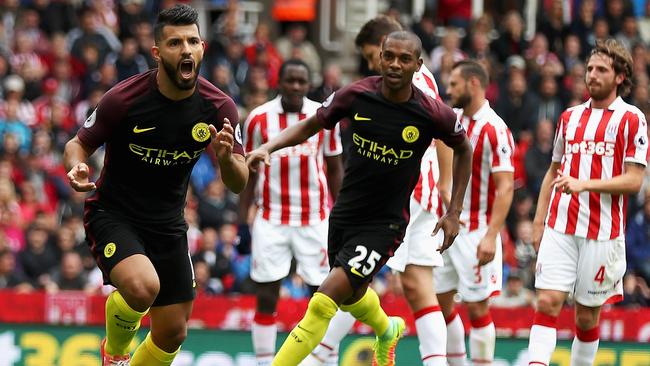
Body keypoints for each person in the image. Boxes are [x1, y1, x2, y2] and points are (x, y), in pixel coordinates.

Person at [246, 31, 473, 366]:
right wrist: (268, 146)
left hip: (385, 223)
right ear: (380, 58)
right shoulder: (357, 94)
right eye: (389, 56)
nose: (395, 64)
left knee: (324, 300)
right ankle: (387, 329)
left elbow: (463, 148)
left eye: (404, 59)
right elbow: (312, 125)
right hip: (344, 215)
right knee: (352, 295)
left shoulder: (430, 112)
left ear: (418, 65)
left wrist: (454, 210)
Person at [63, 4, 248, 366]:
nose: (186, 50)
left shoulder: (219, 107)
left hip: (168, 225)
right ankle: (114, 354)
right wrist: (77, 168)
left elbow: (239, 183)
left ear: (202, 48)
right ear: (158, 52)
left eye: (192, 41)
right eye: (175, 43)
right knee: (143, 287)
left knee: (172, 333)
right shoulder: (124, 98)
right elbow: (77, 144)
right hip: (113, 214)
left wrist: (226, 159)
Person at [303, 15, 455, 366]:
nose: (374, 64)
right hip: (422, 188)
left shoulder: (410, 80)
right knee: (418, 285)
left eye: (374, 55)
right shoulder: (418, 74)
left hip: (405, 188)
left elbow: (444, 130)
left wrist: (446, 186)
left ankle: (320, 355)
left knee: (354, 274)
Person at [527, 38, 647, 365]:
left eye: (602, 70)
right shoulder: (569, 117)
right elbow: (553, 172)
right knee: (548, 302)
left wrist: (585, 184)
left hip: (603, 233)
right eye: (590, 68)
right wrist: (539, 222)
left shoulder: (632, 119)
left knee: (586, 318)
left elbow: (634, 181)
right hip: (560, 225)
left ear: (620, 76)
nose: (592, 75)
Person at [239, 58, 344, 366]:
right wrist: (241, 220)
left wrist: (341, 215)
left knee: (321, 295)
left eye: (302, 81)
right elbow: (248, 173)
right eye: (290, 81)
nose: (296, 86)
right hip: (271, 219)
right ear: (279, 83)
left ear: (309, 84)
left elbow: (335, 168)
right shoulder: (258, 119)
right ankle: (264, 361)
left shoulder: (323, 116)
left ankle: (322, 359)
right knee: (267, 295)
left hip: (315, 218)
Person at [437, 59, 515, 366]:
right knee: (439, 304)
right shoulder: (451, 119)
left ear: (473, 84)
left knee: (478, 308)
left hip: (476, 232)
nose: (449, 89)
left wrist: (491, 236)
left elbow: (506, 187)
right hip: (446, 228)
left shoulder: (495, 130)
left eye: (454, 84)